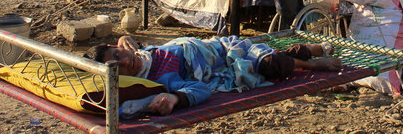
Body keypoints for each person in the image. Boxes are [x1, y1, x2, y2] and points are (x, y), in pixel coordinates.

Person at [87, 35, 340, 116]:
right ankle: (311, 64)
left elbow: (129, 46)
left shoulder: (139, 50)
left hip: (222, 45)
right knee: (270, 63)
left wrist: (123, 39)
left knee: (265, 55)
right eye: (119, 68)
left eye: (118, 55)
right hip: (225, 63)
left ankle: (308, 52)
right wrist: (175, 98)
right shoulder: (159, 79)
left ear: (115, 47)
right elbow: (199, 90)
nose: (126, 61)